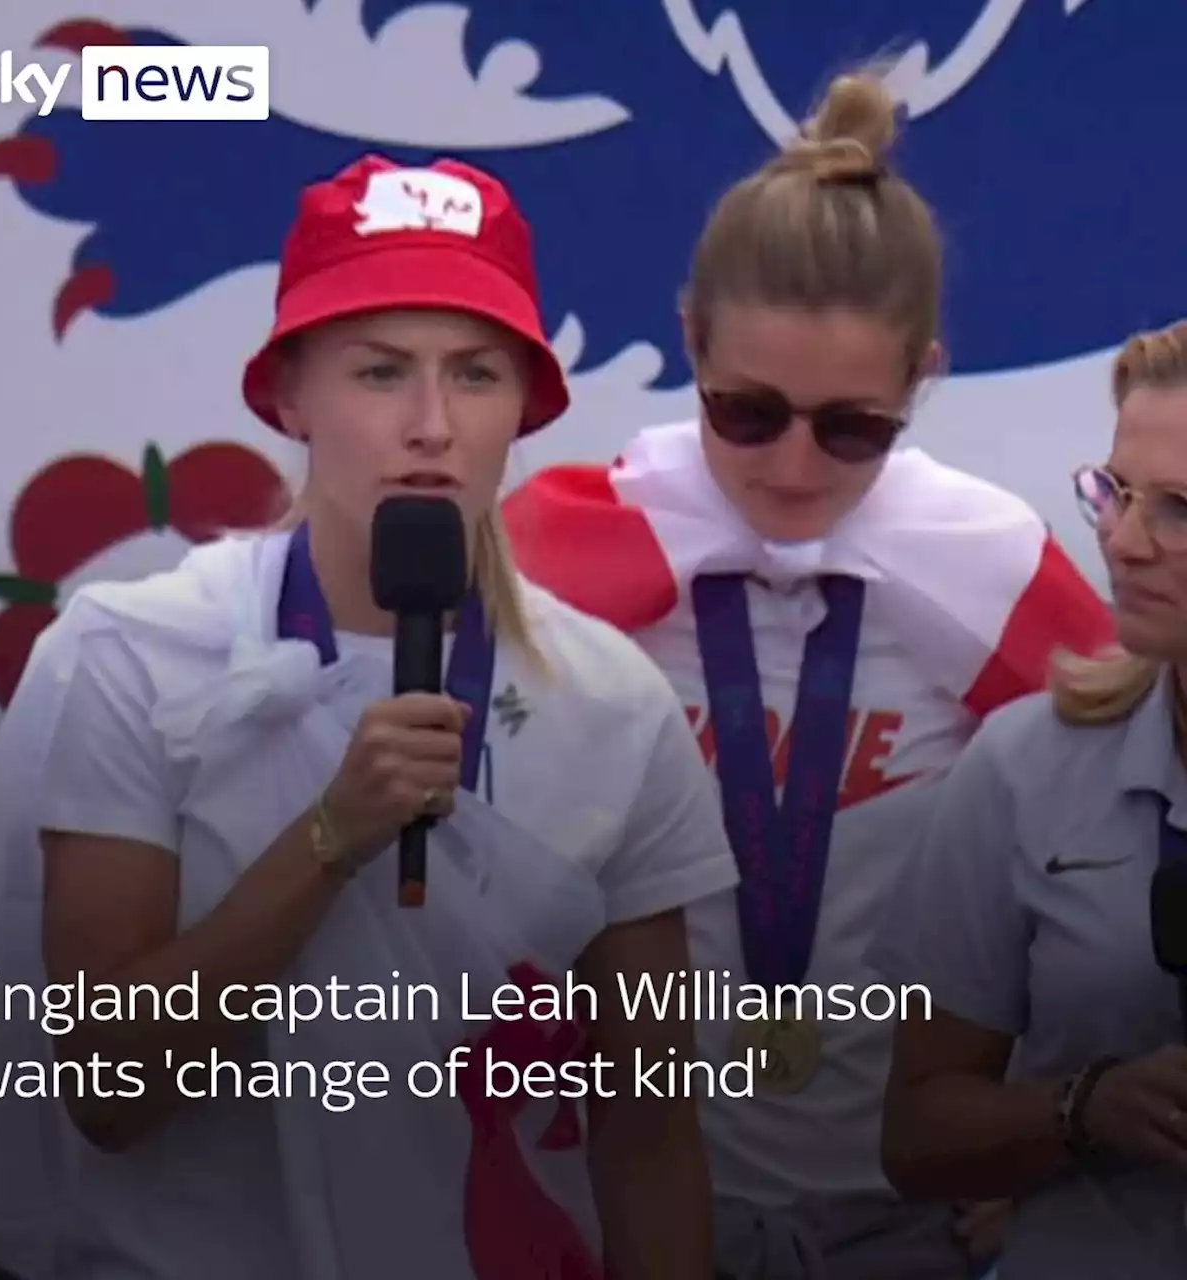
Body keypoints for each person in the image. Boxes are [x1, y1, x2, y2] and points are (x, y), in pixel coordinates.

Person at [0, 155, 742, 1280]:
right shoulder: (130, 655)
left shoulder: (615, 705)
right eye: (380, 370)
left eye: (477, 373)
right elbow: (108, 1087)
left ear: (525, 408)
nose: (431, 424)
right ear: (289, 394)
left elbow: (645, 1134)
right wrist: (330, 837)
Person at [501, 70, 1114, 1278]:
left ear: (922, 378)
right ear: (687, 343)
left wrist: (1040, 1146)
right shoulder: (556, 556)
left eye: (851, 427)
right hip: (604, 1200)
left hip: (904, 1218)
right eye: (745, 412)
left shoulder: (990, 574)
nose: (790, 468)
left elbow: (1122, 888)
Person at [873, 319, 1187, 1276]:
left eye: (1179, 509)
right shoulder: (1026, 762)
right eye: (1115, 492)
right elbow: (917, 1137)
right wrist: (1086, 1107)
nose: (1122, 542)